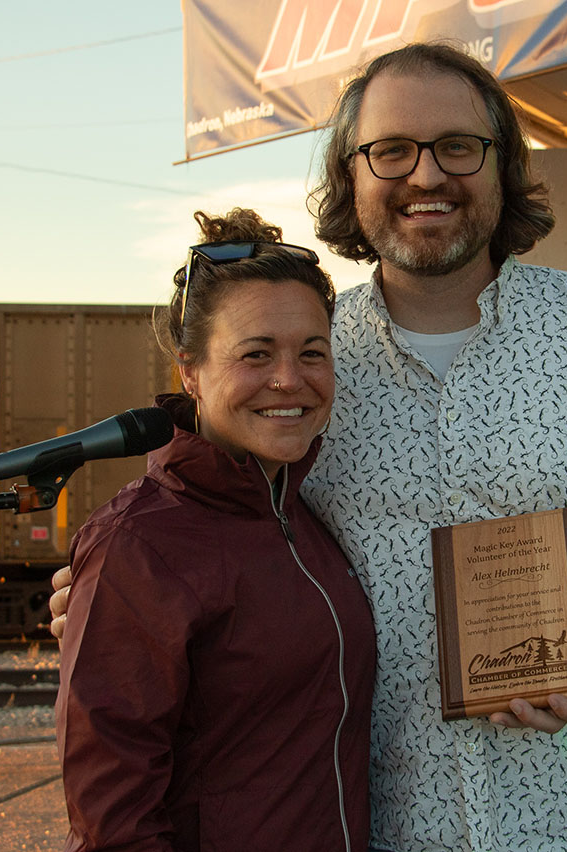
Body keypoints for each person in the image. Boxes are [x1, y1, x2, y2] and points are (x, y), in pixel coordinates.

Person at [53, 42, 567, 852]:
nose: (425, 176)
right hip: (375, 823)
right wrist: (116, 596)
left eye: (458, 146)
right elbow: (195, 525)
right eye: (391, 151)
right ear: (352, 174)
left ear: (503, 166)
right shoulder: (304, 356)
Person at [54, 208, 376, 852]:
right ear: (190, 372)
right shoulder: (139, 543)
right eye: (255, 354)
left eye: (312, 352)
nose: (290, 379)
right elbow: (112, 814)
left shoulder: (306, 512)